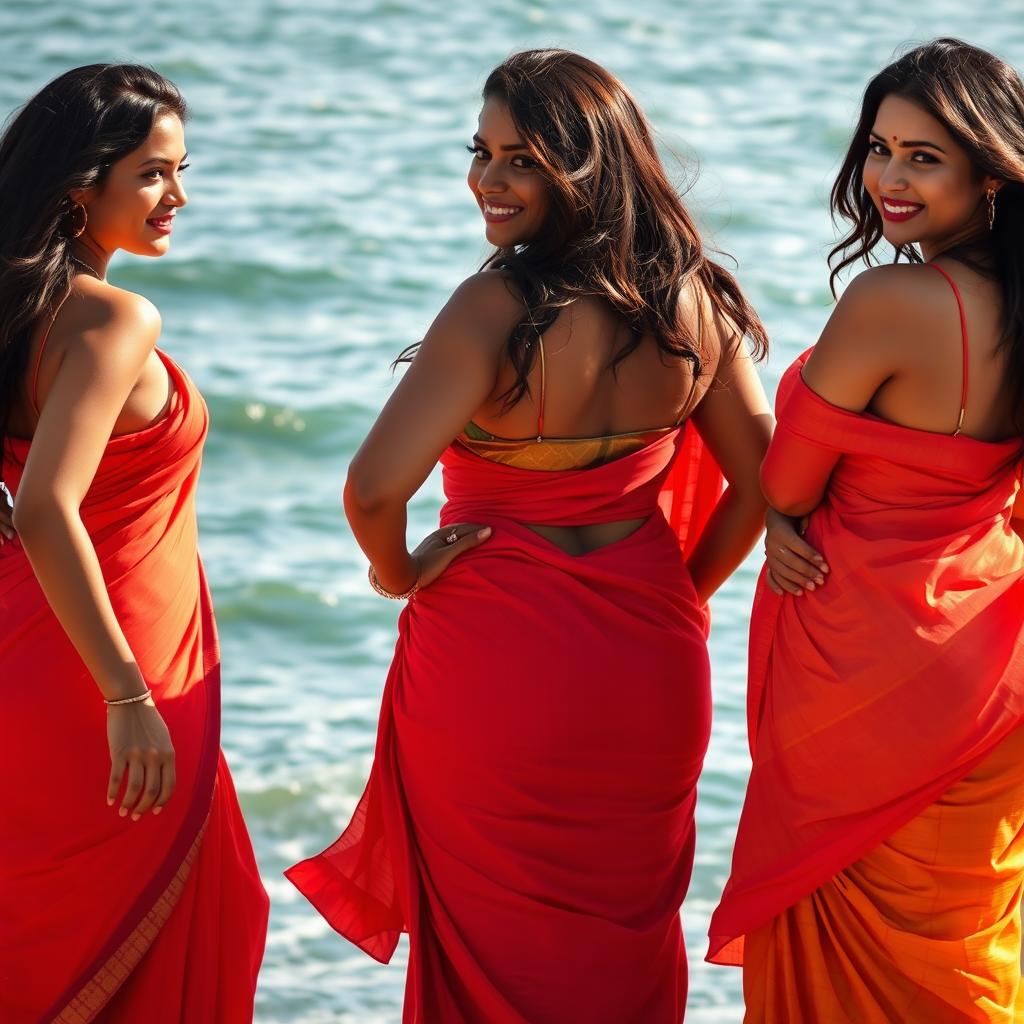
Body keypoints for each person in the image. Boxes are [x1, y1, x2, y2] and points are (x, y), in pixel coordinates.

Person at [287, 49, 772, 1023]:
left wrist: (399, 571)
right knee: (624, 927)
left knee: (489, 937)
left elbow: (375, 486)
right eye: (483, 152)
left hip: (492, 656)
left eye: (520, 160)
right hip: (647, 656)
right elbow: (769, 475)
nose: (488, 180)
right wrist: (684, 588)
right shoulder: (690, 302)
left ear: (585, 169)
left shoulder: (491, 309)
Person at [708, 38, 1024, 1022]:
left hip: (868, 665)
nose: (888, 176)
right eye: (880, 148)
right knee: (963, 944)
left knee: (849, 959)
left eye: (922, 156)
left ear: (989, 169)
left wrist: (786, 512)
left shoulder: (891, 300)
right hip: (992, 660)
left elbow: (785, 477)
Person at [0, 65, 268, 1023]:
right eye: (154, 175)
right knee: (203, 918)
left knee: (52, 947)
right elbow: (45, 509)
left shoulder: (19, 313)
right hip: (114, 684)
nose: (179, 198)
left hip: (29, 663)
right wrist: (125, 694)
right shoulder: (114, 320)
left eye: (181, 171)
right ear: (83, 185)